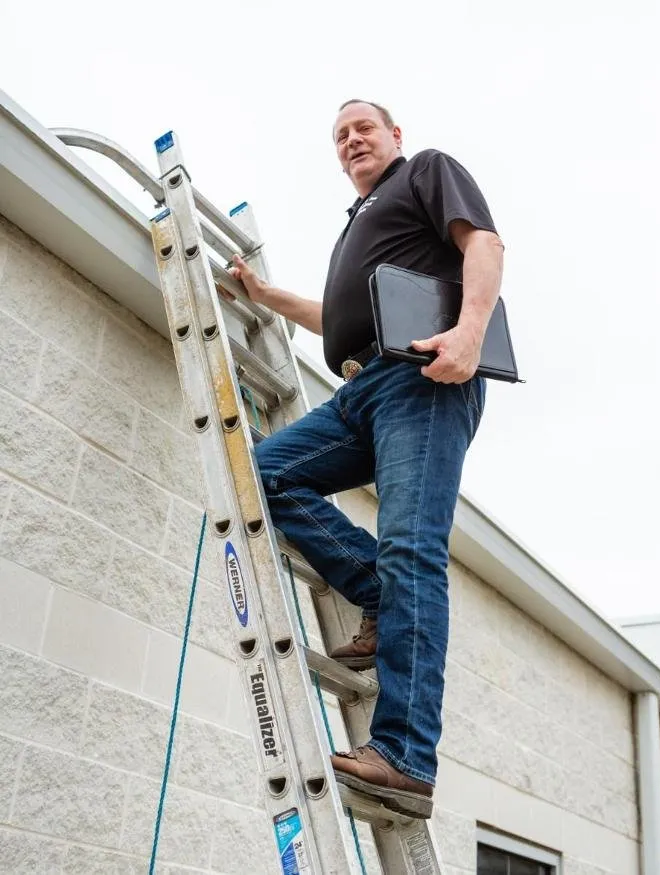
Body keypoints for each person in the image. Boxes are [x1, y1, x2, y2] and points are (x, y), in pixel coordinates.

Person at [230, 99, 504, 819]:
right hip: (360, 387)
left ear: (395, 136)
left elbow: (484, 244)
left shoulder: (427, 171)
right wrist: (268, 296)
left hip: (422, 377)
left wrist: (469, 334)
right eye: (340, 135)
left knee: (410, 545)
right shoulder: (361, 220)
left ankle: (406, 755)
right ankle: (379, 594)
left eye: (364, 128)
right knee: (264, 472)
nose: (352, 139)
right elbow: (343, 315)